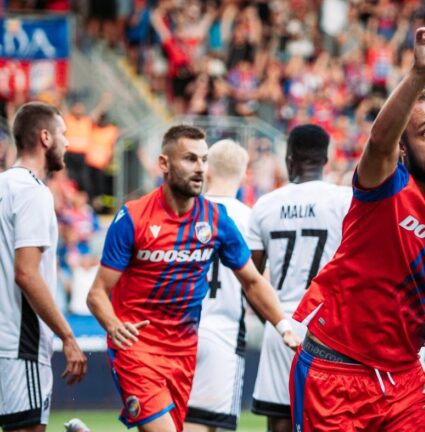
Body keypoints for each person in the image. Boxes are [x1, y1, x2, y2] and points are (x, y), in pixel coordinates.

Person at [290, 8, 425, 431]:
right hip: (333, 370)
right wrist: (419, 73)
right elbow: (378, 141)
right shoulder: (385, 185)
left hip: (404, 381)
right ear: (405, 150)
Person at [87, 125, 300, 432]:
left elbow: (252, 281)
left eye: (203, 160)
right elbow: (96, 293)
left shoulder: (216, 220)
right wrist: (114, 326)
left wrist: (283, 326)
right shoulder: (133, 218)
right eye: (190, 159)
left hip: (184, 351)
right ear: (164, 164)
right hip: (137, 350)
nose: (200, 168)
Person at [247, 124, 352, 432]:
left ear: (289, 159)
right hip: (331, 328)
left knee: (279, 423)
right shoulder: (346, 201)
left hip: (281, 323)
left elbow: (251, 279)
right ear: (326, 160)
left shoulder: (265, 205)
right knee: (332, 421)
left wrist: (272, 318)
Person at [0, 102, 87, 432]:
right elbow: (26, 272)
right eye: (64, 134)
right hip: (20, 342)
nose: (67, 142)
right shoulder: (34, 193)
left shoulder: (3, 185)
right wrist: (68, 337)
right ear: (46, 137)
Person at [183, 139, 252, 432]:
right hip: (223, 332)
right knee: (209, 424)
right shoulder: (250, 218)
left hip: (180, 330)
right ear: (243, 173)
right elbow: (257, 279)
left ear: (207, 169)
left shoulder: (184, 212)